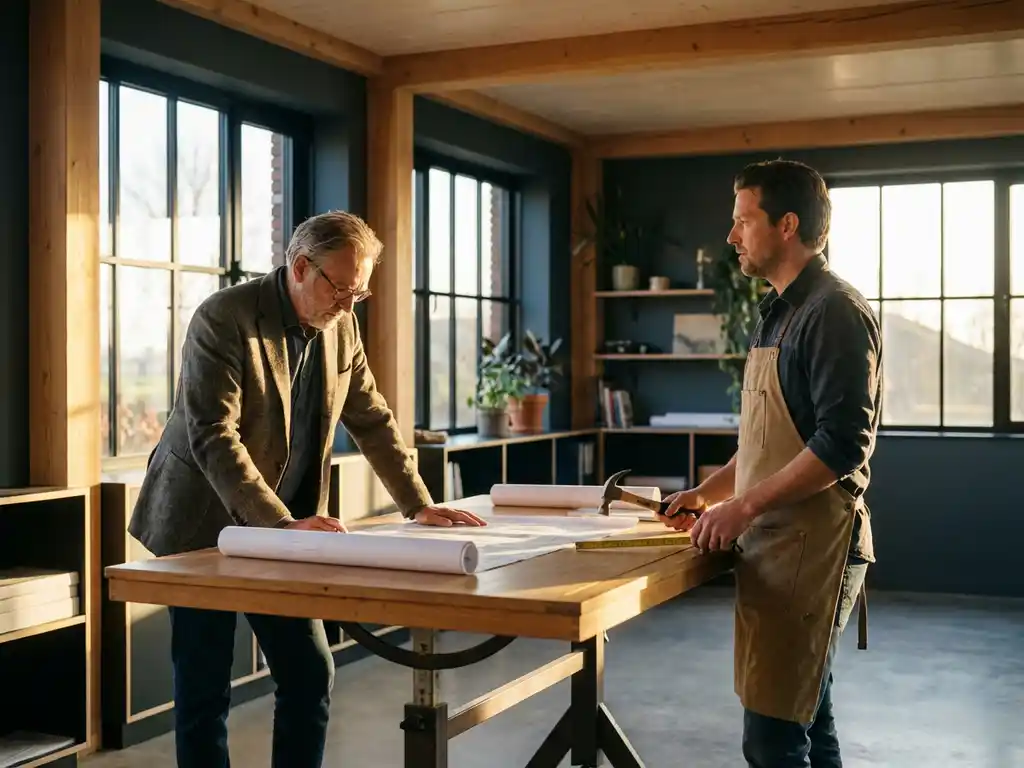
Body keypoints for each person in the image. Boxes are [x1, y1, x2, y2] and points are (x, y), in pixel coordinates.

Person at [128, 210, 484, 768]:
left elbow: (372, 418)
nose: (347, 304)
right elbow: (212, 437)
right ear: (300, 267)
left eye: (358, 293)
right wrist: (282, 526)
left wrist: (419, 504)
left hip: (287, 531)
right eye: (341, 288)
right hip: (202, 523)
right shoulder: (224, 318)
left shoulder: (341, 325)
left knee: (309, 671)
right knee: (204, 688)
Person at [659, 159, 880, 767]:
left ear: (786, 226)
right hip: (779, 547)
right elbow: (763, 441)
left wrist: (747, 504)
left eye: (742, 221)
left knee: (774, 740)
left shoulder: (834, 312)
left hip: (818, 550)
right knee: (809, 716)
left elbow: (841, 445)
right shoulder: (777, 311)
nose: (731, 237)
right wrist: (707, 492)